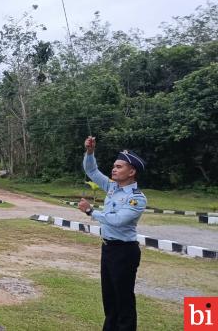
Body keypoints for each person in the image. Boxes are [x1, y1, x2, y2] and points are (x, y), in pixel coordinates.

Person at [78, 136, 146, 331]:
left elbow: (118, 220)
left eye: (119, 166)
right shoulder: (112, 187)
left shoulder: (136, 198)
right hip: (108, 248)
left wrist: (91, 211)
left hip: (124, 251)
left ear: (131, 171)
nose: (114, 169)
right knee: (109, 297)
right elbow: (91, 170)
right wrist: (90, 152)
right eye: (114, 166)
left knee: (123, 298)